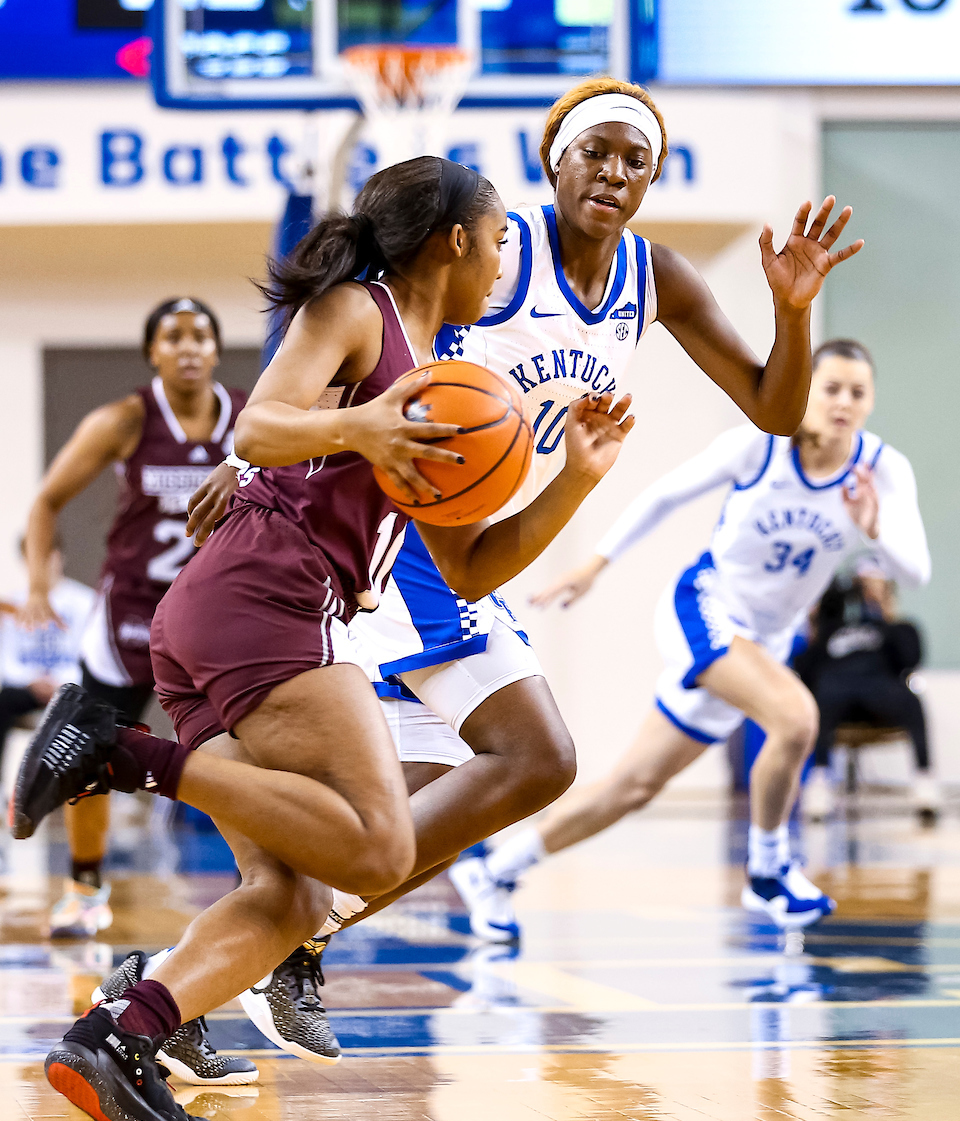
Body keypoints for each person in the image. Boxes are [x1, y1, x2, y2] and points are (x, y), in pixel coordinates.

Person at [182, 77, 864, 1052]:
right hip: (414, 529)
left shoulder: (656, 277)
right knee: (535, 756)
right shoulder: (502, 253)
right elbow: (371, 333)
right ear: (557, 160)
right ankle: (276, 934)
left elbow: (774, 408)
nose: (615, 173)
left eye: (637, 159)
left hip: (471, 536)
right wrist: (251, 452)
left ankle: (225, 958)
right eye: (599, 152)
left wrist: (793, 312)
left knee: (426, 798)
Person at [18, 156, 635, 1121]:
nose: (511, 252)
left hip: (232, 617)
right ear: (458, 239)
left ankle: (116, 1037)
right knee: (382, 846)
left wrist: (576, 482)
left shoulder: (448, 368)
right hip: (267, 600)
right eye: (503, 235)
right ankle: (124, 752)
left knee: (293, 894)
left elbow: (470, 571)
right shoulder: (360, 311)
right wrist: (364, 425)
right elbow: (258, 422)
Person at [474, 339, 930, 936]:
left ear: (870, 402)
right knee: (796, 718)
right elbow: (666, 495)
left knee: (633, 786)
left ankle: (499, 868)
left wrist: (875, 531)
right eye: (831, 388)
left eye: (857, 392)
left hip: (764, 641)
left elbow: (914, 571)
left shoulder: (881, 470)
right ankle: (768, 872)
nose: (843, 402)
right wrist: (596, 564)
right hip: (705, 607)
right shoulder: (760, 447)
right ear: (807, 391)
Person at [19, 298, 255, 1087]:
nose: (189, 347)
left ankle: (252, 901)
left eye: (202, 335)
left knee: (239, 764)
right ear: (153, 353)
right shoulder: (125, 418)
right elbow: (47, 500)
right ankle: (84, 889)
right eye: (172, 336)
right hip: (128, 614)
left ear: (216, 351)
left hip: (210, 618)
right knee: (91, 750)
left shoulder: (248, 419)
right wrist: (40, 584)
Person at [796, 558, 938, 818]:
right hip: (835, 695)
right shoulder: (832, 631)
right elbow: (806, 671)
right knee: (821, 697)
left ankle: (924, 780)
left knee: (912, 699)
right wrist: (814, 626)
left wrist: (886, 611)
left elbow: (910, 659)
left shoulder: (894, 628)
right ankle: (819, 781)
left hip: (879, 692)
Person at [0, 541, 93, 782]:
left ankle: (87, 791)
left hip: (71, 688)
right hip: (29, 689)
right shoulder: (12, 604)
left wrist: (61, 682)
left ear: (58, 556)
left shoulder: (85, 601)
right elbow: (8, 660)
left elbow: (90, 659)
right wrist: (33, 681)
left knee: (100, 703)